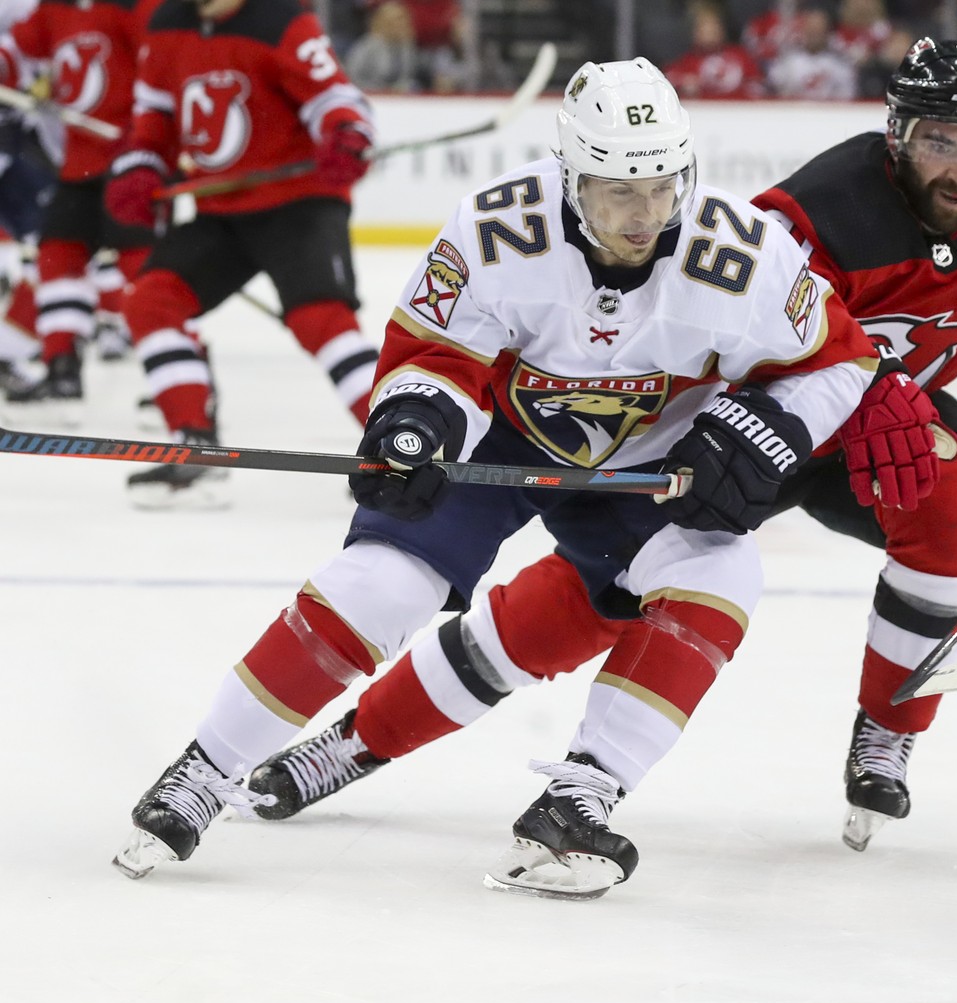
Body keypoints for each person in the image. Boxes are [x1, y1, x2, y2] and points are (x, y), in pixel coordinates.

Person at [242, 38, 957, 855]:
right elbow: (781, 333)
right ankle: (360, 740)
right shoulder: (821, 207)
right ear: (895, 134)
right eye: (935, 141)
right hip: (734, 427)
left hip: (875, 429)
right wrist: (852, 385)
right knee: (598, 606)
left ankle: (888, 728)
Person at [112, 57, 884, 898]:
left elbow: (838, 361)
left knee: (723, 572)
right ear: (568, 176)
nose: (645, 215)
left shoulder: (741, 255)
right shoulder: (497, 230)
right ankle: (205, 770)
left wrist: (767, 427)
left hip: (645, 466)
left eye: (663, 187)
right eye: (617, 192)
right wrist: (418, 413)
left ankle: (577, 801)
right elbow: (434, 352)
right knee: (382, 583)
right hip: (497, 443)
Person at [102, 0, 379, 509]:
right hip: (222, 210)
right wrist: (139, 167)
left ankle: (406, 448)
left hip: (299, 202)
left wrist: (347, 134)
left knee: (321, 322)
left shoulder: (282, 20)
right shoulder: (167, 24)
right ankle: (196, 445)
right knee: (150, 300)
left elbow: (335, 98)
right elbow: (155, 119)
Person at [0, 0, 157, 422]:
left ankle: (181, 382)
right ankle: (61, 368)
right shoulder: (54, 7)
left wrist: (153, 129)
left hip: (133, 161)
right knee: (57, 254)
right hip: (80, 162)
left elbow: (166, 64)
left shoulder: (135, 6)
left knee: (144, 270)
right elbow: (18, 49)